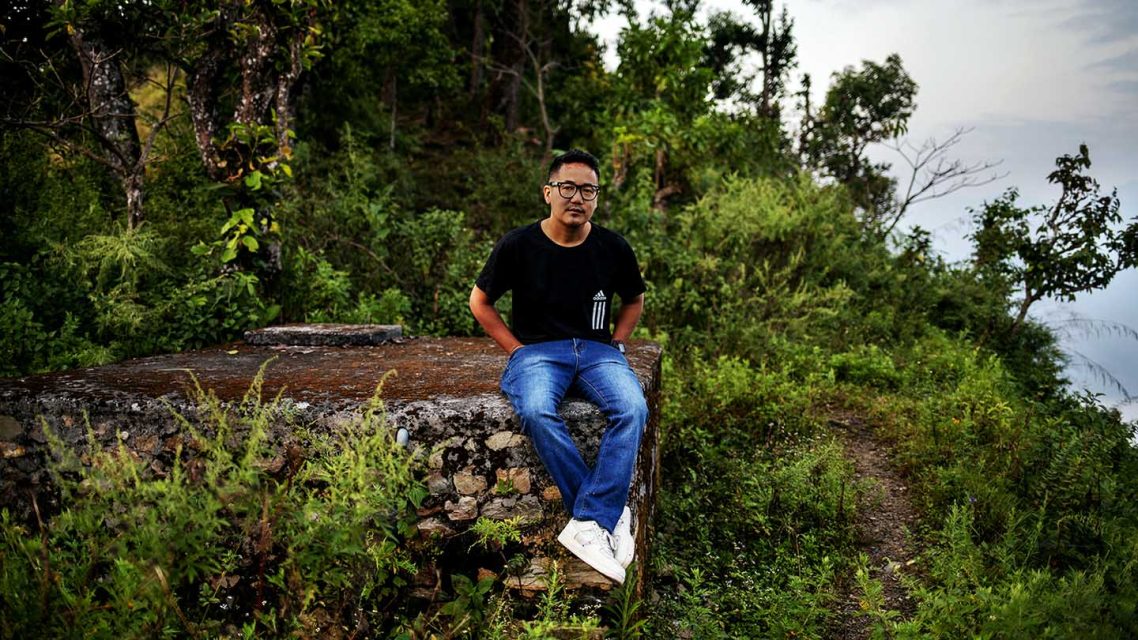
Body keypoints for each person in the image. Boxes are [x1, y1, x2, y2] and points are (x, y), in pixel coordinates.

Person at [468, 148, 648, 585]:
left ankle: (589, 521)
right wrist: (515, 349)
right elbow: (480, 302)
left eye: (588, 189)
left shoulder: (612, 247)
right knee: (534, 410)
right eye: (567, 187)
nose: (577, 197)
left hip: (598, 352)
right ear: (548, 192)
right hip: (538, 352)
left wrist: (619, 343)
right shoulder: (518, 245)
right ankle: (607, 515)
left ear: (597, 197)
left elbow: (634, 300)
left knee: (632, 409)